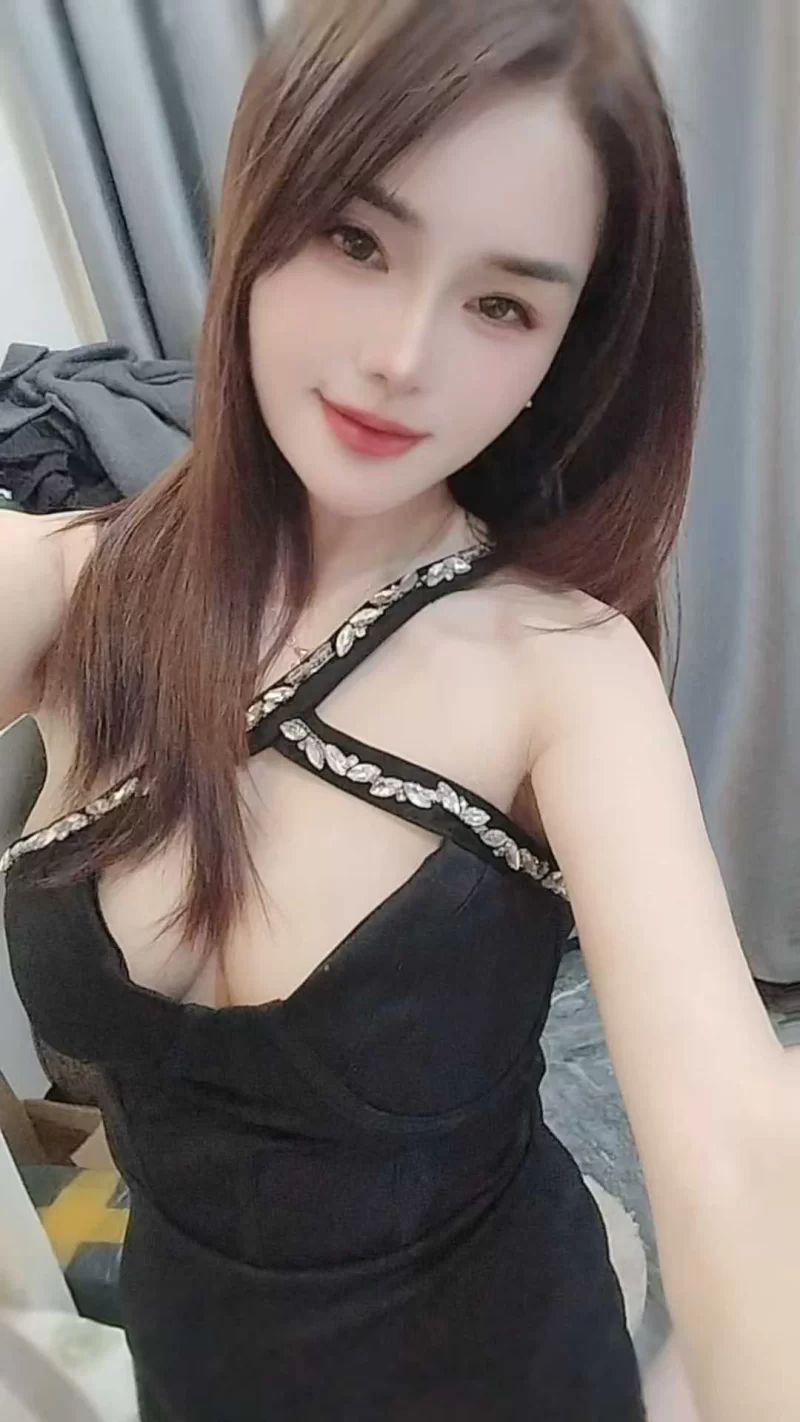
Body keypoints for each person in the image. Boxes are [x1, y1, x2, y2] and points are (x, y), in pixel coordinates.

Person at [1, 2, 798, 1419]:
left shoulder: (561, 668)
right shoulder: (72, 588)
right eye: (356, 240)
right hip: (198, 1368)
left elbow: (735, 1155)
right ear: (263, 205)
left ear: (564, 349)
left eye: (502, 305)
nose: (400, 356)